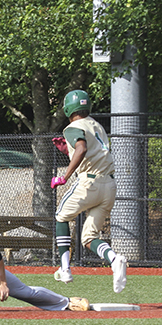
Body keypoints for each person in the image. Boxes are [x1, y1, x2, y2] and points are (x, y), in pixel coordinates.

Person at [50, 89, 127, 293]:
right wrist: (68, 151)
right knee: (89, 238)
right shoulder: (97, 125)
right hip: (109, 185)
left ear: (68, 107)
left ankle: (65, 268)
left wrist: (64, 176)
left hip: (89, 183)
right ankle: (114, 259)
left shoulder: (72, 126)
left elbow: (82, 148)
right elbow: (89, 150)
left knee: (61, 217)